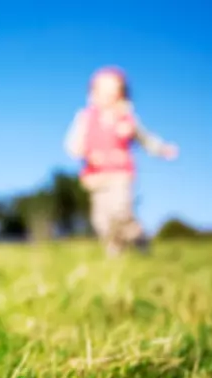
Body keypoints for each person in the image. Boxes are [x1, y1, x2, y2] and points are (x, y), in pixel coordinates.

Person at [64, 66, 178, 257]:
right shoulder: (85, 118)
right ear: (93, 93)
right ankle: (115, 252)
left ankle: (138, 235)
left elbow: (145, 138)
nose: (107, 96)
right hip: (96, 176)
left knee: (120, 211)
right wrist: (82, 152)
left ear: (121, 94)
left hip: (120, 174)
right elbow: (74, 143)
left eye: (112, 91)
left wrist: (162, 149)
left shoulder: (126, 119)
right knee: (101, 220)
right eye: (102, 91)